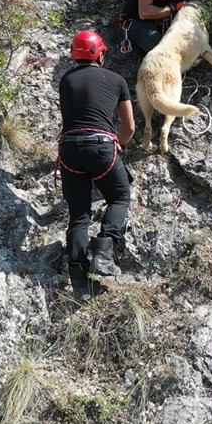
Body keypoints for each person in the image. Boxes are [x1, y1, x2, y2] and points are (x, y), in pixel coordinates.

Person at [57, 30, 135, 300]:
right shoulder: (116, 80)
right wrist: (120, 147)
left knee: (78, 216)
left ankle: (79, 283)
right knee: (120, 196)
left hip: (69, 149)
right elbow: (129, 126)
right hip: (102, 147)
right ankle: (103, 251)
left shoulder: (66, 80)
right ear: (99, 53)